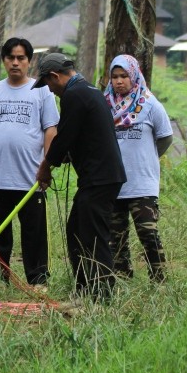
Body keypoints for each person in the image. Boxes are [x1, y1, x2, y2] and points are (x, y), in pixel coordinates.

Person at [35, 53, 125, 302]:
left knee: (93, 235)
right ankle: (84, 289)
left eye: (49, 85)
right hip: (101, 177)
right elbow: (79, 137)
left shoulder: (75, 95)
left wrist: (46, 167)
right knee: (77, 229)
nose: (51, 91)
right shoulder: (89, 91)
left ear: (55, 76)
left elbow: (63, 137)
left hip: (100, 178)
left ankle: (102, 295)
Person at [0, 38, 58, 289]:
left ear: (29, 61)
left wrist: (47, 165)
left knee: (34, 232)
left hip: (30, 177)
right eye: (11, 57)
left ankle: (38, 278)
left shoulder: (41, 91)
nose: (15, 62)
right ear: (3, 60)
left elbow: (50, 130)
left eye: (21, 58)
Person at [105, 54, 172, 282]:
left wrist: (148, 158)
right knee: (116, 237)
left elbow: (164, 138)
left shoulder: (150, 104)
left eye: (124, 76)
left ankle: (159, 279)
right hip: (115, 182)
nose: (119, 81)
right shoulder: (104, 105)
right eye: (115, 77)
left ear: (134, 76)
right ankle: (122, 278)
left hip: (142, 183)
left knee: (148, 233)